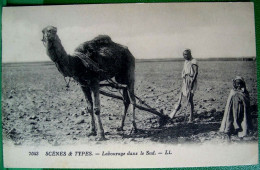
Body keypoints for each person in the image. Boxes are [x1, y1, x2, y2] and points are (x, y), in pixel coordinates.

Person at [169, 49, 198, 122]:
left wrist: (191, 84)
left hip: (190, 80)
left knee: (190, 99)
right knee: (182, 96)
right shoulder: (186, 61)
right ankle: (175, 112)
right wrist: (183, 77)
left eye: (185, 55)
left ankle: (191, 118)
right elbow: (184, 71)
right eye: (183, 55)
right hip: (185, 80)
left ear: (189, 54)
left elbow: (195, 73)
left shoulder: (194, 61)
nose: (184, 56)